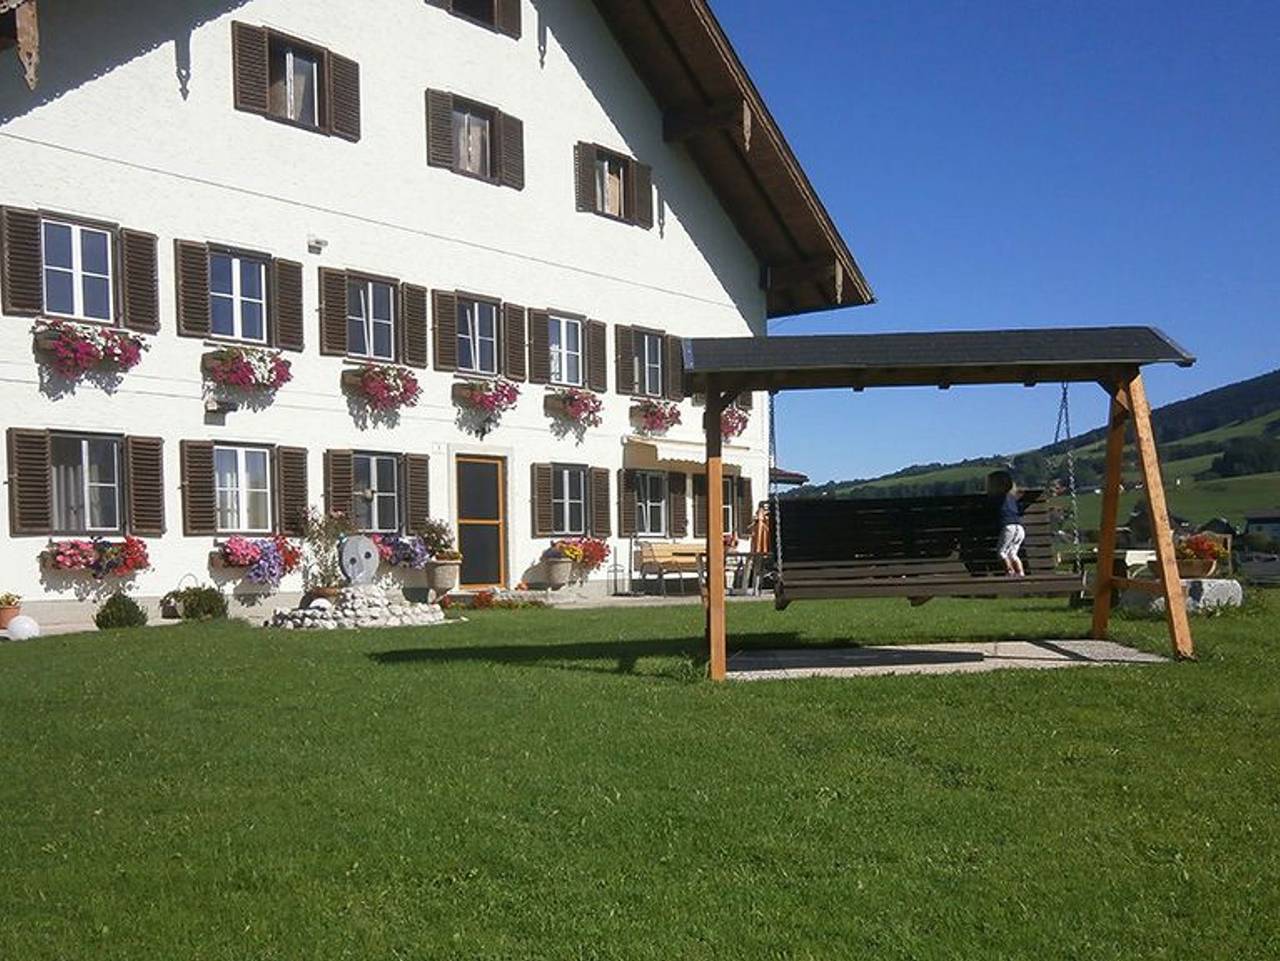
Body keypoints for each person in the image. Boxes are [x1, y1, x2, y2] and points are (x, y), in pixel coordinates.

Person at [987, 470, 1025, 576]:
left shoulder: (997, 498)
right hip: (1019, 527)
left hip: (1008, 526)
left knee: (1001, 552)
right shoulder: (1012, 498)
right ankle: (1021, 574)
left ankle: (1009, 572)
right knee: (1013, 554)